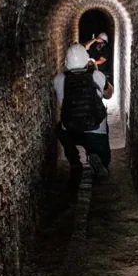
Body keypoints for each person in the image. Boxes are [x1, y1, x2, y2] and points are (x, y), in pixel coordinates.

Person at [55, 42, 113, 183]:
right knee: (103, 127)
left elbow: (61, 103)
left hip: (71, 129)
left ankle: (74, 160)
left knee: (59, 128)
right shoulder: (97, 76)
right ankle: (98, 157)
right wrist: (97, 71)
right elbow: (109, 94)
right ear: (86, 60)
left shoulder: (59, 79)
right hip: (95, 128)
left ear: (66, 61)